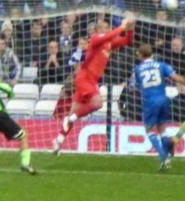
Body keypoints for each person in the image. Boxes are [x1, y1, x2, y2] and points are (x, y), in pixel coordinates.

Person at [54, 16, 135, 154]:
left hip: (90, 80)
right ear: (97, 30)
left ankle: (59, 140)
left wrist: (130, 29)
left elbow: (127, 41)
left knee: (74, 112)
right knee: (97, 103)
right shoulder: (95, 39)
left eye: (107, 27)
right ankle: (70, 119)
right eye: (104, 27)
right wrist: (121, 26)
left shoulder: (109, 44)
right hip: (84, 78)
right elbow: (109, 35)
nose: (107, 29)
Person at [133, 44, 185, 171]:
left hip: (150, 102)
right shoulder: (162, 65)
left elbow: (140, 84)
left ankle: (164, 157)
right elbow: (175, 78)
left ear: (141, 55)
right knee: (162, 129)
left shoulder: (138, 69)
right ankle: (168, 148)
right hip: (164, 100)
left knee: (150, 130)